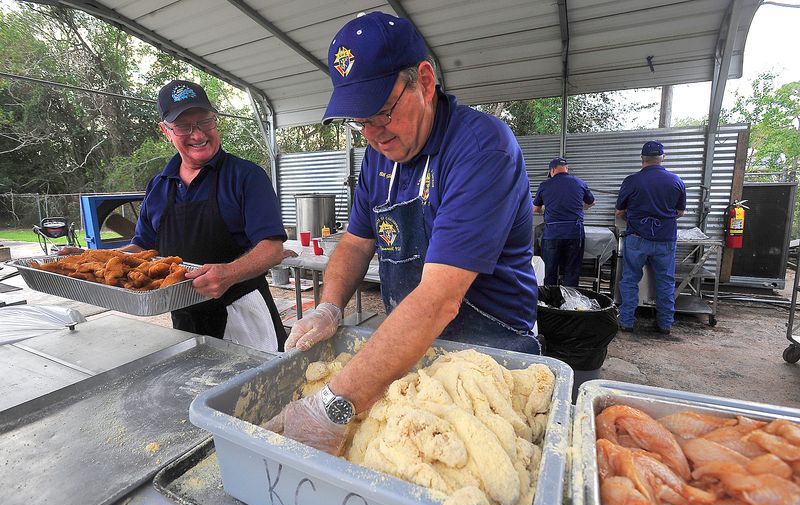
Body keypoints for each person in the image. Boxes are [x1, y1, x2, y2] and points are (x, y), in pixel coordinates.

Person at [266, 12, 539, 454]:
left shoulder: (481, 148)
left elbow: (438, 299)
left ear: (425, 82)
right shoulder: (379, 156)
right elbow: (355, 243)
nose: (372, 135)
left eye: (382, 113)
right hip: (408, 349)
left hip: (493, 355)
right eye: (360, 123)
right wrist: (330, 306)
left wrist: (333, 405)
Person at [99, 80, 288, 351]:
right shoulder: (159, 184)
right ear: (166, 131)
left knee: (261, 389)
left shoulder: (246, 177)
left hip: (244, 312)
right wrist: (97, 261)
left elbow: (272, 249)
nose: (198, 135)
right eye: (184, 127)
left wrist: (230, 273)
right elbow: (143, 246)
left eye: (204, 122)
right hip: (185, 317)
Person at [615, 141, 686, 335]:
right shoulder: (676, 181)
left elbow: (619, 212)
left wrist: (633, 216)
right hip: (665, 239)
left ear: (642, 159)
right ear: (662, 158)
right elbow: (680, 212)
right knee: (665, 282)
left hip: (637, 238)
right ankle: (665, 324)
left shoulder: (632, 181)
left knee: (630, 279)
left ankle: (627, 321)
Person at [533, 157, 595, 286]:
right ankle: (569, 303)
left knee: (549, 271)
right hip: (574, 233)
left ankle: (549, 302)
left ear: (552, 170)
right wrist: (580, 206)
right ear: (566, 168)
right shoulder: (580, 183)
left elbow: (536, 209)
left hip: (552, 234)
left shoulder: (545, 185)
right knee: (572, 271)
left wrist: (548, 208)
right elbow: (591, 202)